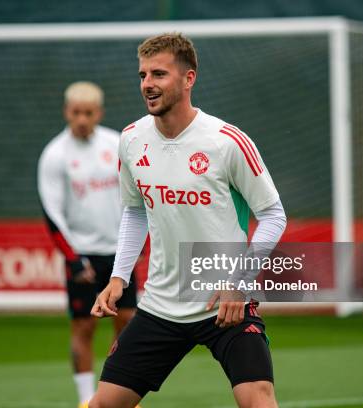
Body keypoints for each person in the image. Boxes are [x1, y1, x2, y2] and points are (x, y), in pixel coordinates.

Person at [89, 33, 287, 408]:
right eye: (143, 75)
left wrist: (238, 283)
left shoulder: (227, 142)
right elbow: (134, 210)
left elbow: (273, 215)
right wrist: (119, 277)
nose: (148, 84)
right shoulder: (131, 139)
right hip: (162, 304)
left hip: (225, 303)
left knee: (257, 400)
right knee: (103, 404)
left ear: (188, 78)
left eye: (159, 74)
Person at [38, 81, 138, 408]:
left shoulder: (117, 144)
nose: (82, 119)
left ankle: (121, 395)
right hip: (83, 254)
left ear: (99, 113)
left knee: (127, 320)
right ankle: (85, 400)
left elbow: (136, 200)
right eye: (76, 112)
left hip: (120, 250)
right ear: (67, 112)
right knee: (85, 325)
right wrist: (73, 258)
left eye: (89, 112)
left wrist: (136, 247)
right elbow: (53, 215)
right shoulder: (55, 155)